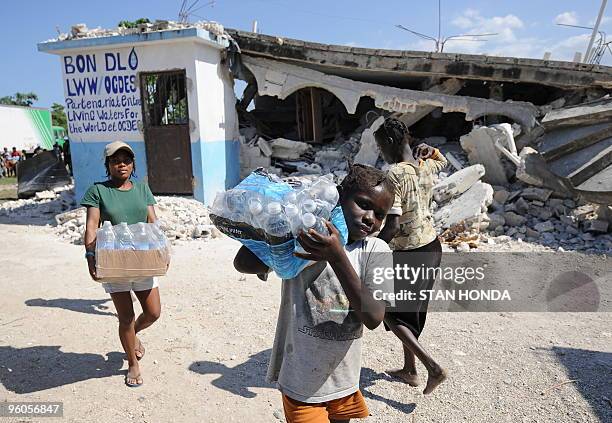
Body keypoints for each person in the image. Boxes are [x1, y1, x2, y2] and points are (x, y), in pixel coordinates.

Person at [234, 164, 395, 423]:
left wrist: (337, 256)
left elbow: (374, 317)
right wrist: (276, 224)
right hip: (300, 381)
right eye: (364, 204)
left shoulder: (376, 250)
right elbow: (243, 264)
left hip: (344, 380)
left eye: (380, 214)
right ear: (338, 196)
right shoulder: (306, 241)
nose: (370, 218)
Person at [375, 118, 449, 395]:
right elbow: (441, 161)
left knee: (388, 312)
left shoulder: (394, 173)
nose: (381, 151)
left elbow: (393, 225)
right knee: (412, 313)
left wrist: (370, 249)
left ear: (391, 143)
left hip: (409, 252)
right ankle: (410, 370)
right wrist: (429, 149)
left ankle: (433, 368)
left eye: (381, 145)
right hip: (432, 246)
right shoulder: (425, 165)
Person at [81, 141, 161, 388]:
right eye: (116, 160)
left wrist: (162, 248)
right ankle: (133, 363)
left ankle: (133, 335)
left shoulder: (142, 188)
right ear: (108, 165)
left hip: (143, 258)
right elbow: (92, 225)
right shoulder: (98, 190)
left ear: (133, 163)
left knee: (153, 313)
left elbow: (152, 220)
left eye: (126, 159)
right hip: (115, 261)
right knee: (125, 317)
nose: (122, 164)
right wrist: (90, 256)